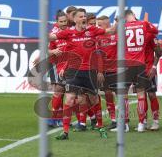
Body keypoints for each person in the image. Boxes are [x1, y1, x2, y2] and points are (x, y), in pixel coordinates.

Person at [50, 8, 116, 140]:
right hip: (73, 71)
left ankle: (101, 126)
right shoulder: (68, 32)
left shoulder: (92, 30)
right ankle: (65, 132)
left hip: (90, 71)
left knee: (94, 99)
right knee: (69, 99)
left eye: (84, 16)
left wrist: (119, 22)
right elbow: (51, 37)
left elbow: (110, 31)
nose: (83, 18)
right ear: (74, 20)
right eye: (80, 16)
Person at [110, 9, 158, 133]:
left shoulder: (122, 27)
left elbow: (117, 41)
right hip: (140, 65)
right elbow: (155, 31)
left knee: (123, 95)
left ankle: (125, 125)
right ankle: (142, 124)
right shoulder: (143, 24)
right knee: (141, 95)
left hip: (126, 66)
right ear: (133, 15)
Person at [33, 10, 67, 127]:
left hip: (71, 65)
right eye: (61, 21)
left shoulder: (70, 31)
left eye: (65, 21)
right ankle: (54, 118)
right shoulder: (53, 33)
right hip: (57, 65)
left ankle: (60, 118)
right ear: (56, 22)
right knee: (59, 90)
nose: (63, 23)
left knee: (67, 93)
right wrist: (52, 51)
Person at [96, 15, 117, 130]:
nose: (98, 27)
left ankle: (126, 120)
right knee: (108, 94)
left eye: (100, 25)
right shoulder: (98, 38)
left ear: (107, 24)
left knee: (122, 95)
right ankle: (114, 120)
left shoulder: (117, 36)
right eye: (97, 25)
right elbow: (98, 56)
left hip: (118, 70)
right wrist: (100, 71)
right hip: (105, 71)